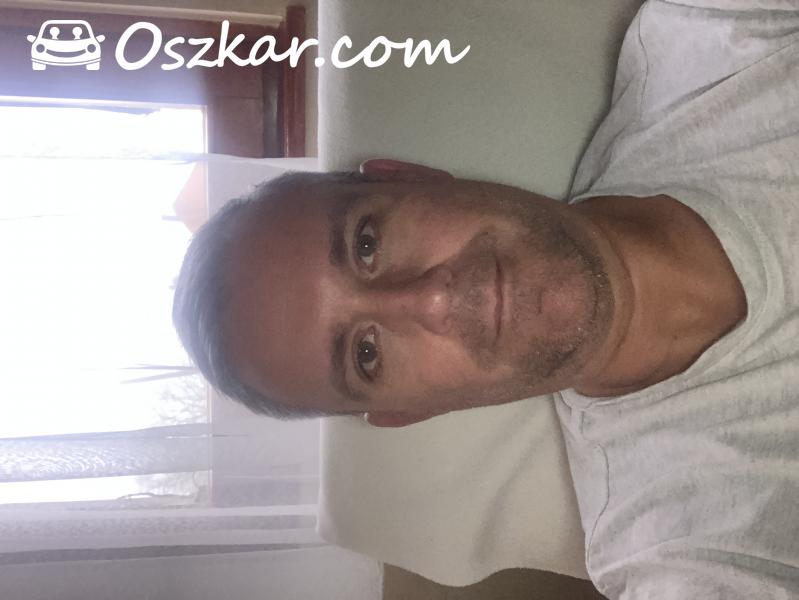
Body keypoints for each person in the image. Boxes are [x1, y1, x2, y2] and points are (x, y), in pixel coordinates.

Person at [173, 1, 799, 598]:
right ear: (410, 411)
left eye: (367, 244)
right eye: (367, 355)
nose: (431, 302)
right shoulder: (680, 551)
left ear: (407, 177)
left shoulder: (715, 39)